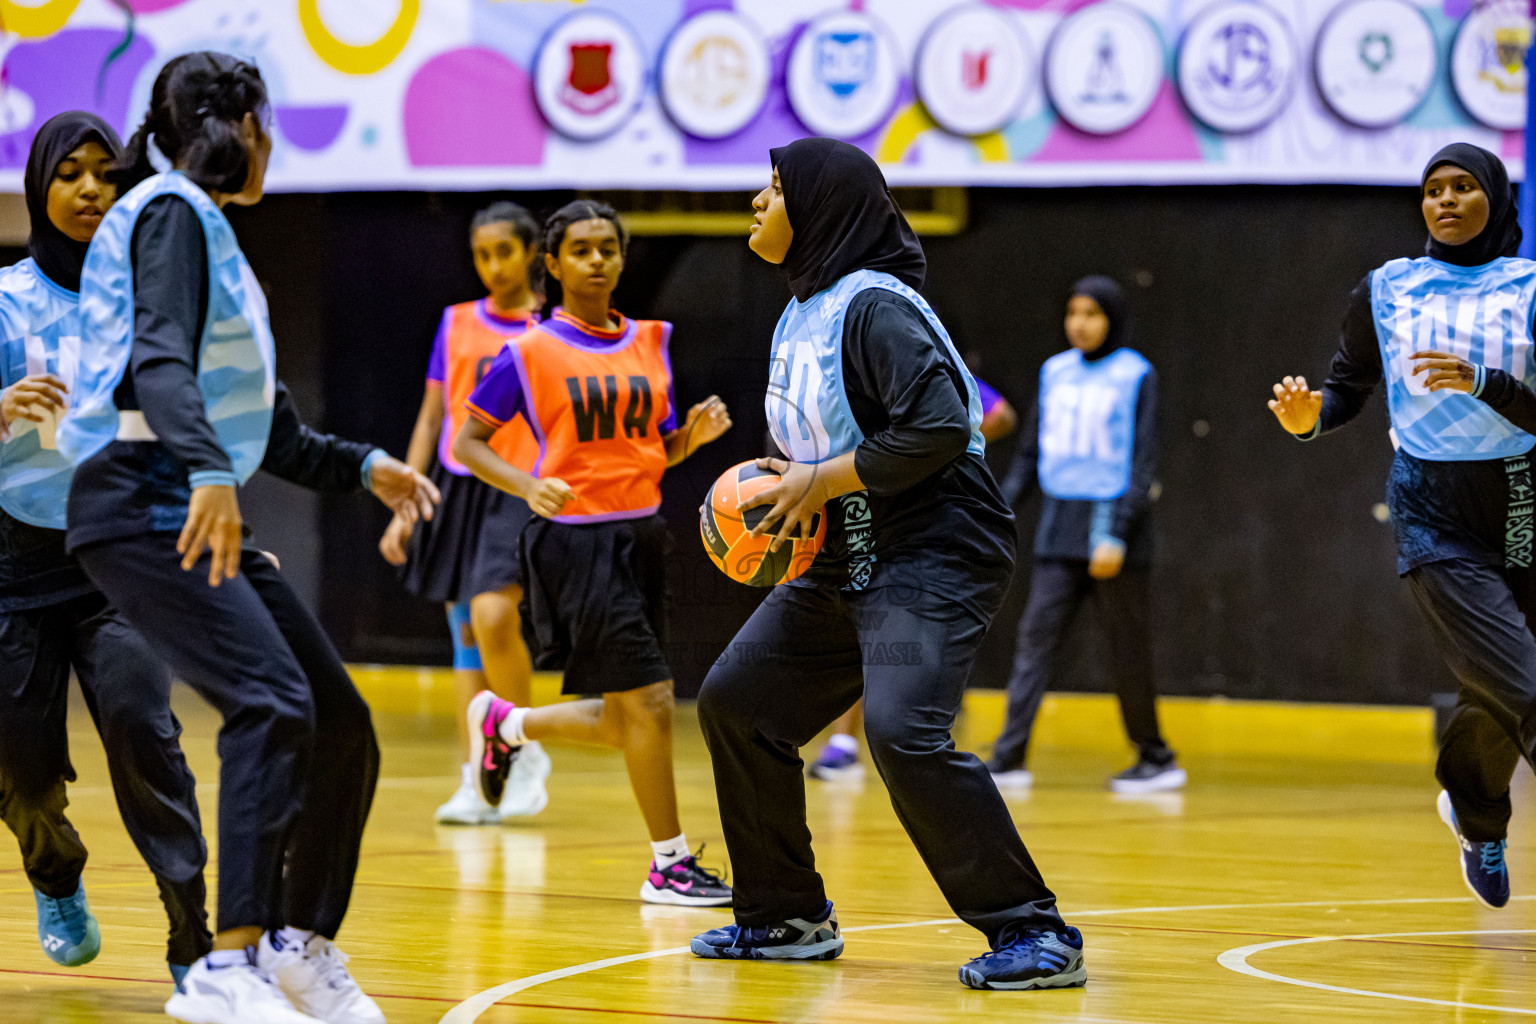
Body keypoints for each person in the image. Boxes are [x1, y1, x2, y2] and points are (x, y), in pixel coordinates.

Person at [58, 53, 435, 1024]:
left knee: (338, 720)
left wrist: (361, 467)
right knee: (268, 701)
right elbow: (157, 366)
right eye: (271, 124)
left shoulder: (208, 230)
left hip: (177, 483)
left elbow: (267, 430)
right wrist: (212, 476)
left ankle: (297, 946)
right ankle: (227, 965)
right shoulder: (174, 211)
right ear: (244, 128)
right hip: (138, 495)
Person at [689, 138, 1084, 992]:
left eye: (774, 187)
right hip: (845, 553)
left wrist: (821, 481)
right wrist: (773, 503)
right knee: (737, 703)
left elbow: (943, 427)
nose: (756, 200)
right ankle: (784, 916)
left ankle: (1033, 931)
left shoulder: (875, 307)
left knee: (902, 730)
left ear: (822, 208)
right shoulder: (803, 310)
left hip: (933, 546)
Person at [1269, 142, 1536, 913]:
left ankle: (1474, 812)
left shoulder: (1527, 286)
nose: (1445, 201)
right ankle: (1481, 813)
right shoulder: (1388, 288)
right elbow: (1345, 390)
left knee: (1497, 689)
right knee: (1525, 683)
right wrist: (1307, 420)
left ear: (1495, 197)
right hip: (1433, 512)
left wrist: (1490, 384)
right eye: (1432, 190)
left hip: (1522, 501)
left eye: (1463, 187)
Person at [454, 199, 735, 906]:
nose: (598, 259)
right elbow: (467, 444)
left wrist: (688, 444)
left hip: (641, 534)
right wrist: (527, 485)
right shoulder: (528, 351)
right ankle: (668, 864)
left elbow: (648, 451)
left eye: (608, 247)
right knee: (653, 702)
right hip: (575, 542)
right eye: (581, 249)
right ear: (553, 264)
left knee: (625, 717)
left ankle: (506, 723)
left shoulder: (650, 341)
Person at [0, 111, 211, 984]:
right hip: (16, 566)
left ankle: (193, 938)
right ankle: (55, 873)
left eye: (105, 173)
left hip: (119, 560)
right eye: (69, 174)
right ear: (39, 189)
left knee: (142, 728)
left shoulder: (149, 296)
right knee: (20, 768)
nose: (90, 189)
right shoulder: (7, 300)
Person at [380, 200, 550, 825]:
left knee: (493, 612)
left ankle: (523, 746)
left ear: (532, 253)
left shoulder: (551, 327)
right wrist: (407, 494)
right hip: (459, 487)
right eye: (481, 254)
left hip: (520, 484)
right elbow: (433, 416)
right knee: (464, 631)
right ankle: (477, 775)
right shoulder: (455, 323)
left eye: (503, 252)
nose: (491, 266)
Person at [983, 278, 1183, 793]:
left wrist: (1117, 532)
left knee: (1126, 648)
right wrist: (995, 510)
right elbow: (1030, 454)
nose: (1079, 322)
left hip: (1112, 524)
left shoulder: (1135, 373)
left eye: (1092, 313)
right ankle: (1007, 758)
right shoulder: (1056, 371)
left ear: (1111, 319)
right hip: (1059, 523)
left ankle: (1155, 757)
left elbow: (1142, 463)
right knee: (1034, 640)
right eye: (1072, 311)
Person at [807, 375, 1016, 781]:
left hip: (923, 524)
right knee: (857, 615)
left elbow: (1001, 414)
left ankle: (910, 729)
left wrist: (939, 449)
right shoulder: (843, 364)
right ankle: (845, 742)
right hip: (859, 508)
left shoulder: (920, 360)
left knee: (899, 627)